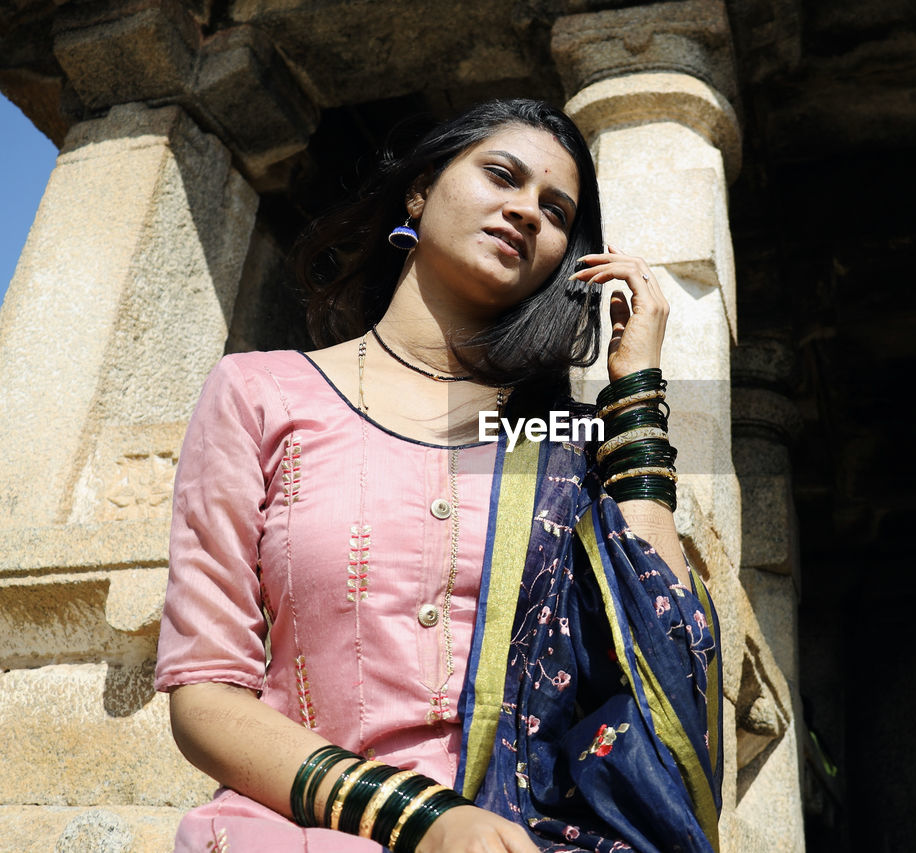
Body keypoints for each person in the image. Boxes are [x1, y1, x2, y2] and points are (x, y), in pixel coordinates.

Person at [153, 98, 722, 853]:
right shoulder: (261, 393)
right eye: (501, 175)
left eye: (554, 210)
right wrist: (426, 818)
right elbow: (204, 696)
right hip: (297, 833)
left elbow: (665, 659)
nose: (526, 211)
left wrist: (636, 391)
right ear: (419, 191)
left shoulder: (558, 445)